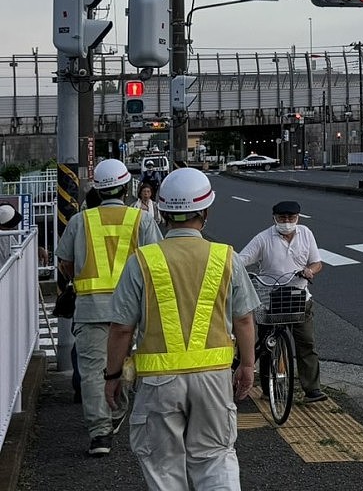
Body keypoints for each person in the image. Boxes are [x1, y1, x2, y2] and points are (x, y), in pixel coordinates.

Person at [104, 167, 258, 490]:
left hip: (158, 383)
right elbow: (243, 319)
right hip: (214, 379)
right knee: (215, 457)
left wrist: (112, 375)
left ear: (164, 211)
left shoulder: (142, 261)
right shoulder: (225, 257)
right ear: (205, 211)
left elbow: (121, 329)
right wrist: (246, 365)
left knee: (164, 464)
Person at [55, 158, 163, 456]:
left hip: (90, 307)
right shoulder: (141, 220)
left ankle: (99, 433)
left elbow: (64, 262)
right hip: (132, 308)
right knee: (126, 363)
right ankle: (117, 411)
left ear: (98, 191)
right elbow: (156, 262)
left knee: (91, 371)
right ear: (127, 186)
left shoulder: (80, 220)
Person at [237, 200, 326, 403]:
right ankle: (270, 388)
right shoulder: (263, 238)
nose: (287, 222)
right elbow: (242, 260)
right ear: (274, 218)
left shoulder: (306, 233)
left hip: (299, 295)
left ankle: (312, 389)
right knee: (269, 343)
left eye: (291, 218)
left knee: (306, 343)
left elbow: (317, 262)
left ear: (298, 218)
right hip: (271, 297)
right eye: (282, 218)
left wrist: (309, 270)